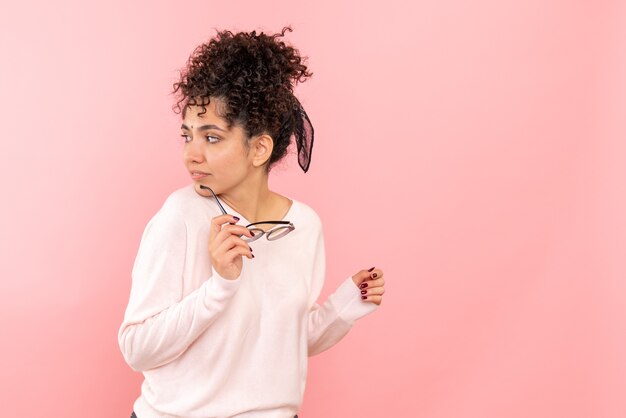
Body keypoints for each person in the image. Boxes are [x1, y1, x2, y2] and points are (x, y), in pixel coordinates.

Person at [118, 26, 386, 418]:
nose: (191, 155)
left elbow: (283, 342)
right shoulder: (181, 217)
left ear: (259, 147)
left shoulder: (304, 226)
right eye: (187, 136)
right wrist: (219, 287)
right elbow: (137, 348)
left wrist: (345, 305)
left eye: (211, 138)